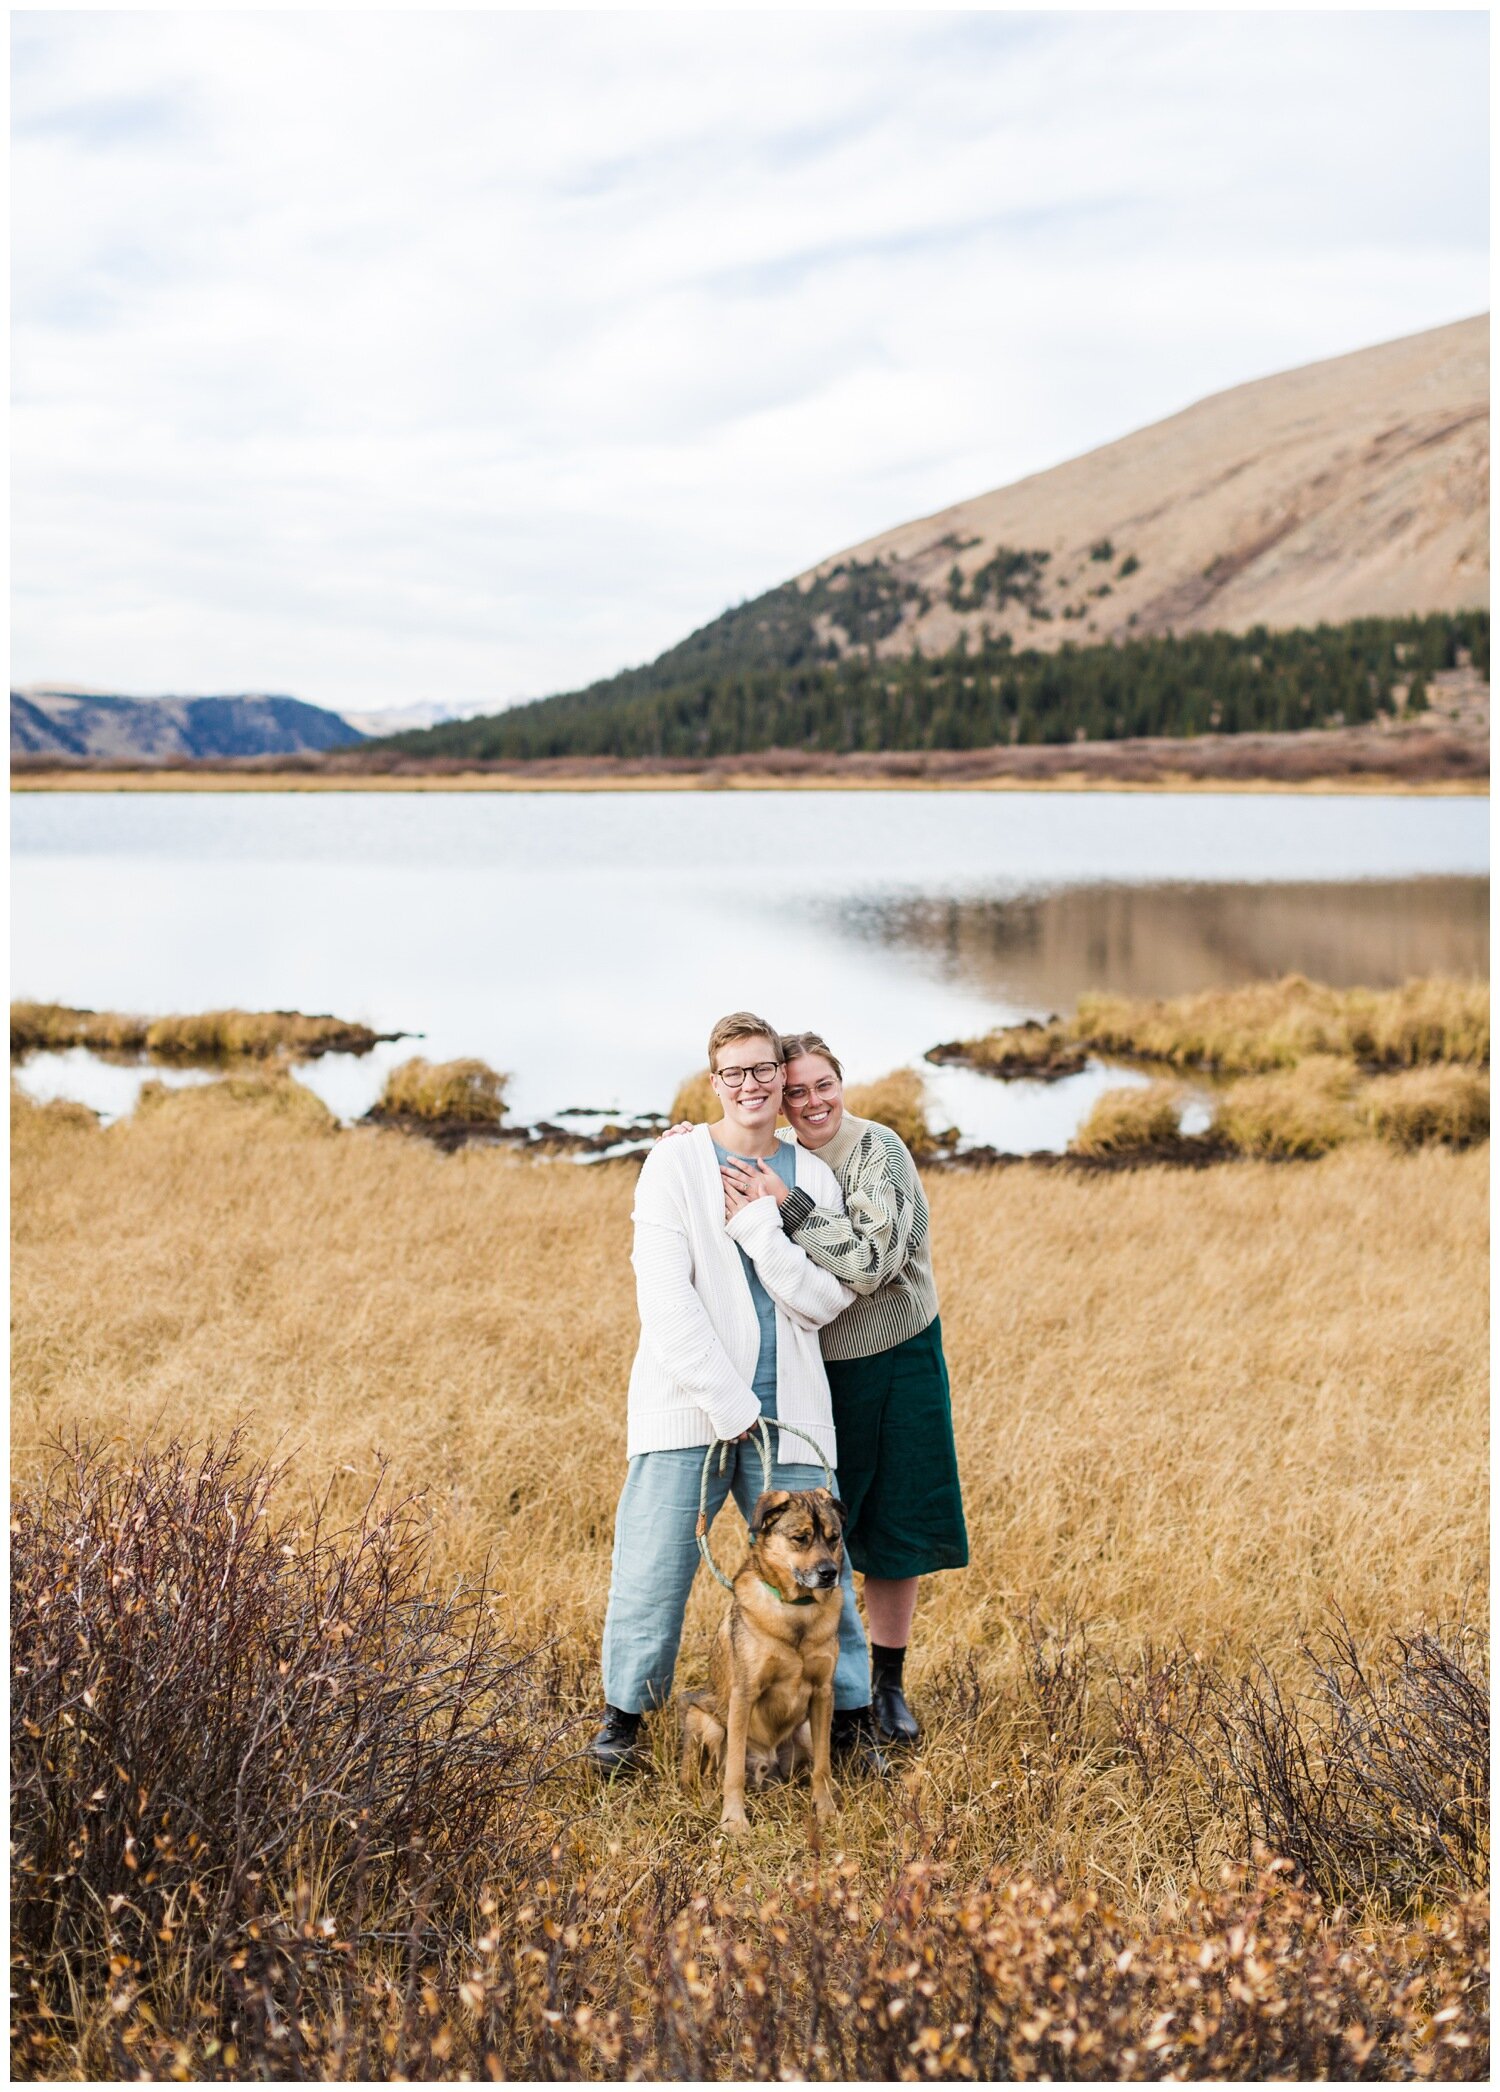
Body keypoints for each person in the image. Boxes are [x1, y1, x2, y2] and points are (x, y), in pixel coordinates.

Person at [588, 1011, 888, 1777]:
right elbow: (666, 1302)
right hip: (688, 1404)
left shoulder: (810, 1177)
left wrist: (761, 1225)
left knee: (818, 1563)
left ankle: (846, 1718)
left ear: (780, 1082)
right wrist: (733, 1408)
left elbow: (827, 1300)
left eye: (765, 1072)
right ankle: (625, 1720)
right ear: (713, 1080)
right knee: (653, 1567)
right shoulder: (675, 1165)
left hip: (791, 1418)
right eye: (736, 1073)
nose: (752, 1085)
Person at [716, 1031, 968, 1747]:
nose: (810, 1100)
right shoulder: (772, 1153)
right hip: (813, 1368)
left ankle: (886, 1687)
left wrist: (789, 1205)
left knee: (894, 1523)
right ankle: (819, 1681)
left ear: (840, 1082)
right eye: (794, 1090)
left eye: (821, 1084)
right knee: (824, 1525)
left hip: (895, 1354)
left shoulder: (875, 1149)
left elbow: (869, 1265)